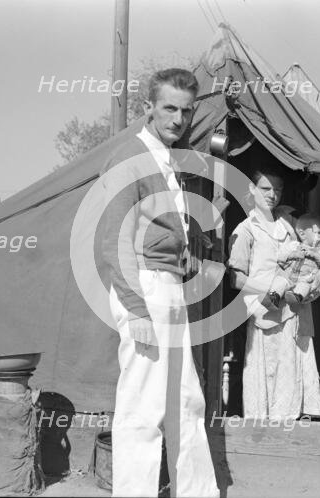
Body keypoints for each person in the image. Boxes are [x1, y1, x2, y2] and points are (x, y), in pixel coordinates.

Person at [101, 68, 219, 497]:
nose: (178, 119)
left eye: (186, 111)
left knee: (186, 400)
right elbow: (113, 242)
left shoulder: (168, 157)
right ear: (147, 107)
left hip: (167, 285)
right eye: (169, 108)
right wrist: (136, 308)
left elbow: (155, 226)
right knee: (143, 405)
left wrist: (182, 250)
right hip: (143, 289)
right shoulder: (128, 156)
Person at [228, 166, 320, 421]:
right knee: (269, 376)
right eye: (265, 188)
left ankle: (292, 436)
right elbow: (235, 278)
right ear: (252, 189)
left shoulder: (290, 223)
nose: (272, 194)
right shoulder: (245, 229)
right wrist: (274, 289)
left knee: (293, 376)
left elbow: (313, 252)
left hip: (295, 312)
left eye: (277, 190)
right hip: (266, 314)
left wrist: (314, 280)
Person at [279, 213, 320, 304]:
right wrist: (291, 255)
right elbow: (280, 255)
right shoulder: (294, 245)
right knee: (280, 281)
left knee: (305, 286)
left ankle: (296, 296)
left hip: (306, 278)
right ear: (302, 234)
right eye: (319, 232)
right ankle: (274, 295)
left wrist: (318, 256)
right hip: (289, 276)